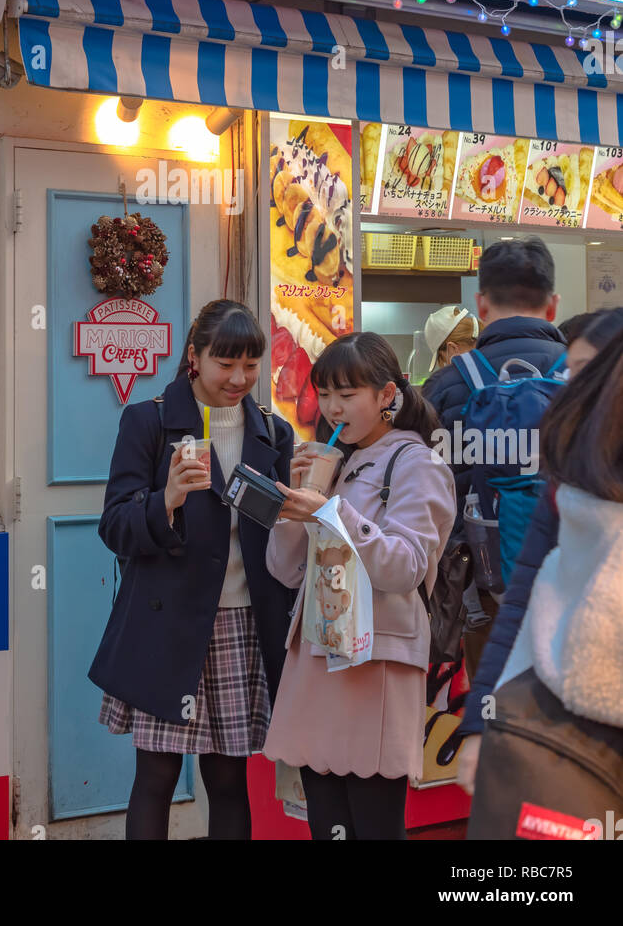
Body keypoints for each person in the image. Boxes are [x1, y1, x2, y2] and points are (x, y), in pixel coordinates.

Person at [88, 299, 295, 840]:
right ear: (193, 357)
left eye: (250, 364)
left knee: (228, 776)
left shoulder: (273, 431)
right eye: (225, 363)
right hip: (166, 624)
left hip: (240, 624)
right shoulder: (149, 420)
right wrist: (167, 500)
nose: (239, 378)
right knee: (154, 775)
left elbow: (281, 533)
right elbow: (114, 525)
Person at [262, 332, 456, 841]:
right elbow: (286, 571)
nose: (331, 409)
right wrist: (297, 504)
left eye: (346, 396)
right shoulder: (338, 462)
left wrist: (333, 511)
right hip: (319, 652)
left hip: (377, 661)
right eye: (324, 395)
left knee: (372, 819)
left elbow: (406, 567)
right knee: (326, 818)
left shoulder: (419, 465)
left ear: (387, 395)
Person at [457, 305, 623, 796]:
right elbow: (520, 602)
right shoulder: (563, 478)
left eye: (586, 371)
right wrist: (479, 722)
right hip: (568, 728)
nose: (569, 386)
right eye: (570, 370)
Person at [422, 237, 565, 675]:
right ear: (553, 306)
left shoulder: (447, 388)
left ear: (481, 306)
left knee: (485, 720)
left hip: (477, 597)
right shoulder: (592, 379)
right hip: (574, 593)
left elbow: (425, 496)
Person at [422, 305, 481, 376]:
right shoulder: (492, 365)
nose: (444, 364)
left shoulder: (461, 383)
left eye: (442, 358)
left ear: (452, 348)